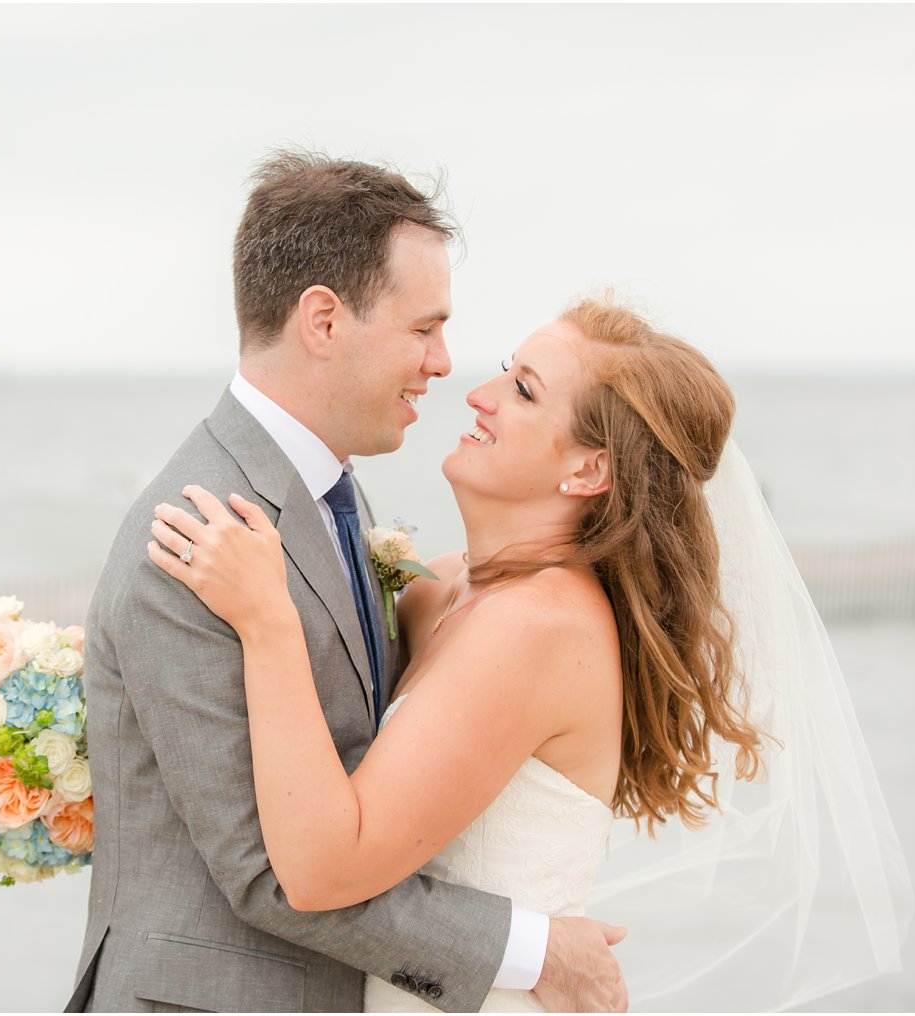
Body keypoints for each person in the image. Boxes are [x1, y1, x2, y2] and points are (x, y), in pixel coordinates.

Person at [147, 299, 915, 1012]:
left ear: (588, 471)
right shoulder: (448, 587)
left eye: (523, 390)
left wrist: (267, 621)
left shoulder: (539, 627)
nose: (479, 393)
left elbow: (324, 868)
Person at [66, 152, 628, 1014]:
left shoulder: (331, 496)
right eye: (422, 329)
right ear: (323, 321)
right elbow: (268, 873)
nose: (444, 364)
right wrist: (531, 952)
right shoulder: (197, 543)